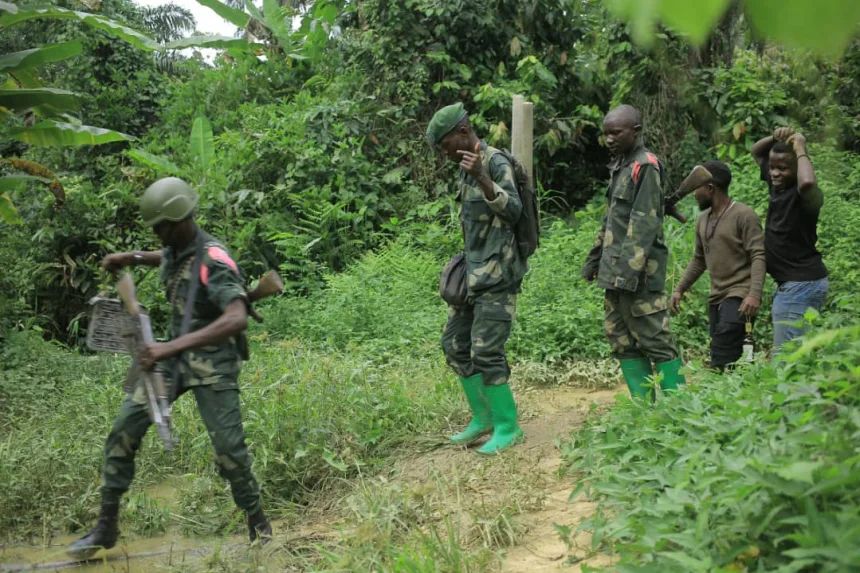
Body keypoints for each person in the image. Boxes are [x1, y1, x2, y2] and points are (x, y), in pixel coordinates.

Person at [67, 177, 271, 559]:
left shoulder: (215, 259)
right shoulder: (178, 248)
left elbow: (236, 318)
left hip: (212, 361)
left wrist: (167, 347)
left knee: (228, 448)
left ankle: (258, 524)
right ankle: (106, 525)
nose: (157, 234)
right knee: (123, 429)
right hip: (173, 359)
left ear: (179, 219)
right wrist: (134, 257)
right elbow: (171, 260)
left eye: (161, 227)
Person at [427, 103, 526, 454]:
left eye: (445, 144)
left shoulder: (495, 163)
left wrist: (484, 177)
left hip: (499, 274)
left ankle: (508, 426)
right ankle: (483, 418)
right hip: (474, 274)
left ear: (464, 132)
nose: (444, 153)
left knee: (487, 350)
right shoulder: (463, 166)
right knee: (454, 344)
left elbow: (515, 211)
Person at [581, 104, 684, 400]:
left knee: (654, 338)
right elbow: (612, 218)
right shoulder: (622, 165)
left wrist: (627, 275)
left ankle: (680, 410)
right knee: (621, 339)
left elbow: (644, 224)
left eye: (616, 133)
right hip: (615, 271)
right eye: (606, 134)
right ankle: (644, 410)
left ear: (635, 132)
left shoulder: (646, 165)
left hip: (638, 274)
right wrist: (594, 258)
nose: (610, 139)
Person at [669, 160, 766, 370]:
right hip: (716, 298)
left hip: (740, 296)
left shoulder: (744, 215)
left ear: (710, 188)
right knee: (728, 357)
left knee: (721, 353)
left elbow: (758, 254)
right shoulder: (703, 219)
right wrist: (680, 289)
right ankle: (735, 397)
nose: (695, 194)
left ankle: (716, 395)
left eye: (697, 189)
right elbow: (699, 259)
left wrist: (754, 294)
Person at [751, 128, 828, 352]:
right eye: (773, 168)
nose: (774, 173)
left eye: (782, 169)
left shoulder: (806, 196)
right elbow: (757, 151)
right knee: (799, 355)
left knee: (786, 360)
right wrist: (776, 138)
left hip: (800, 286)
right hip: (794, 285)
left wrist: (800, 147)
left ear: (797, 168)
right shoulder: (778, 187)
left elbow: (807, 183)